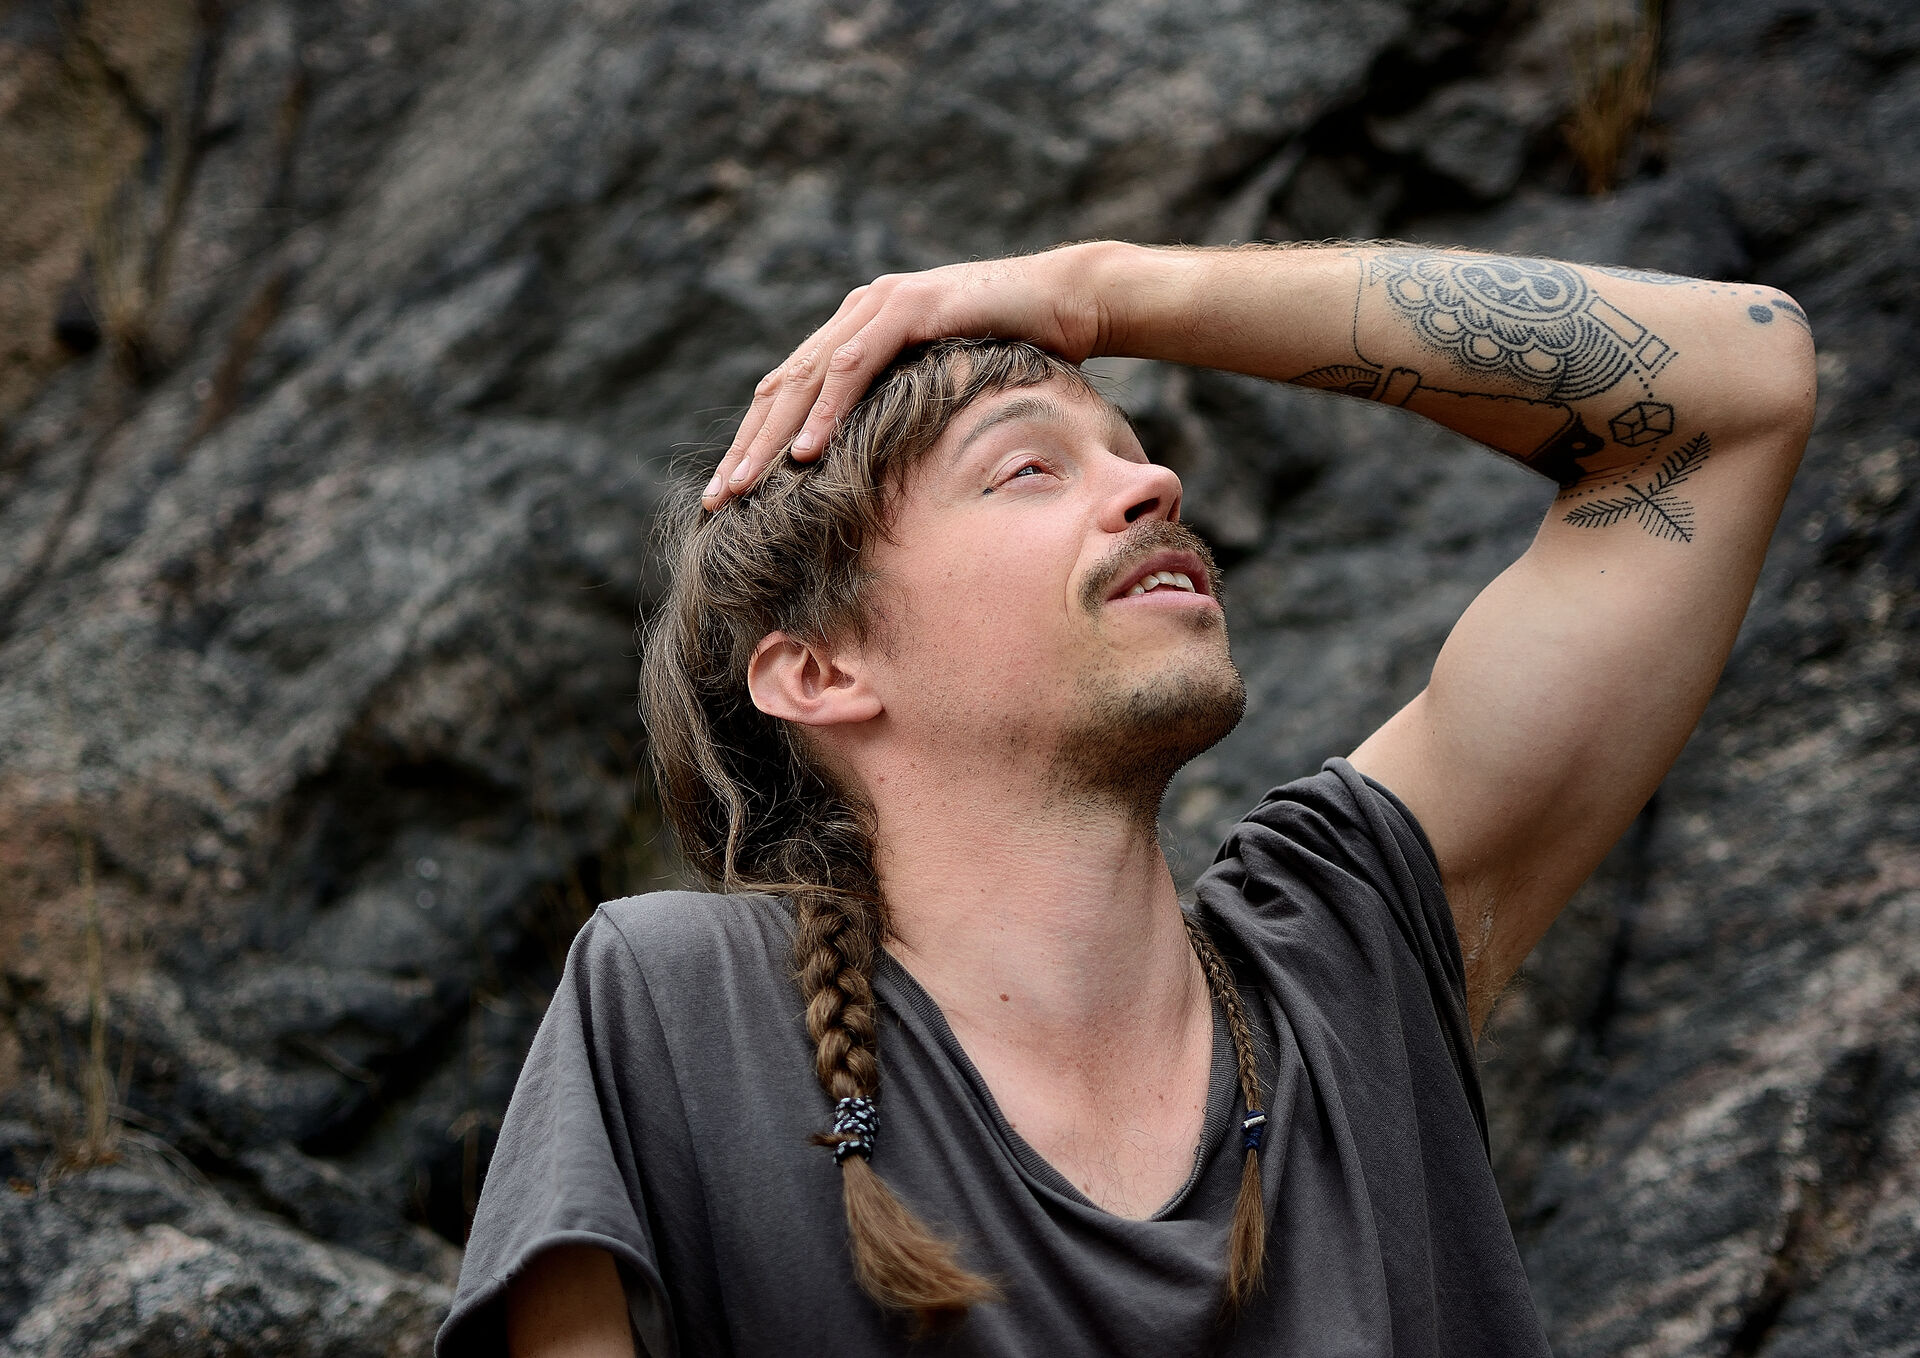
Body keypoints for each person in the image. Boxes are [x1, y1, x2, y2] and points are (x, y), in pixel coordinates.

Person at [435, 240, 1814, 1357]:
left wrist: (1103, 292)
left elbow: (1740, 382)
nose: (1154, 482)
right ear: (822, 669)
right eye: (1028, 467)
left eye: (1133, 447)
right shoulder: (687, 1013)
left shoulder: (1345, 955)